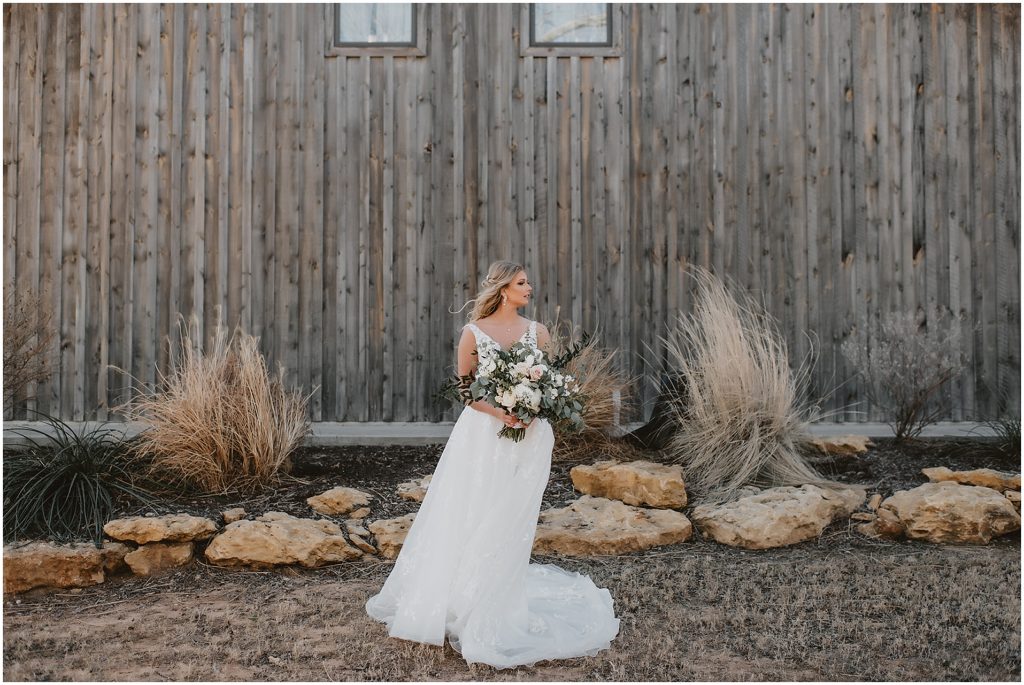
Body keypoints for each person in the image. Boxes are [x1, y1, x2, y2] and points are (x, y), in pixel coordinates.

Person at [365, 260, 620, 669]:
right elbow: (464, 389)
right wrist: (500, 412)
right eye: (522, 282)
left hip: (531, 437)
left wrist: (539, 406)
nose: (529, 287)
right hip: (483, 437)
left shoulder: (539, 332)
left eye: (528, 281)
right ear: (503, 289)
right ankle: (463, 599)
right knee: (475, 511)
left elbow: (550, 380)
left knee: (513, 517)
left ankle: (500, 596)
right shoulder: (472, 334)